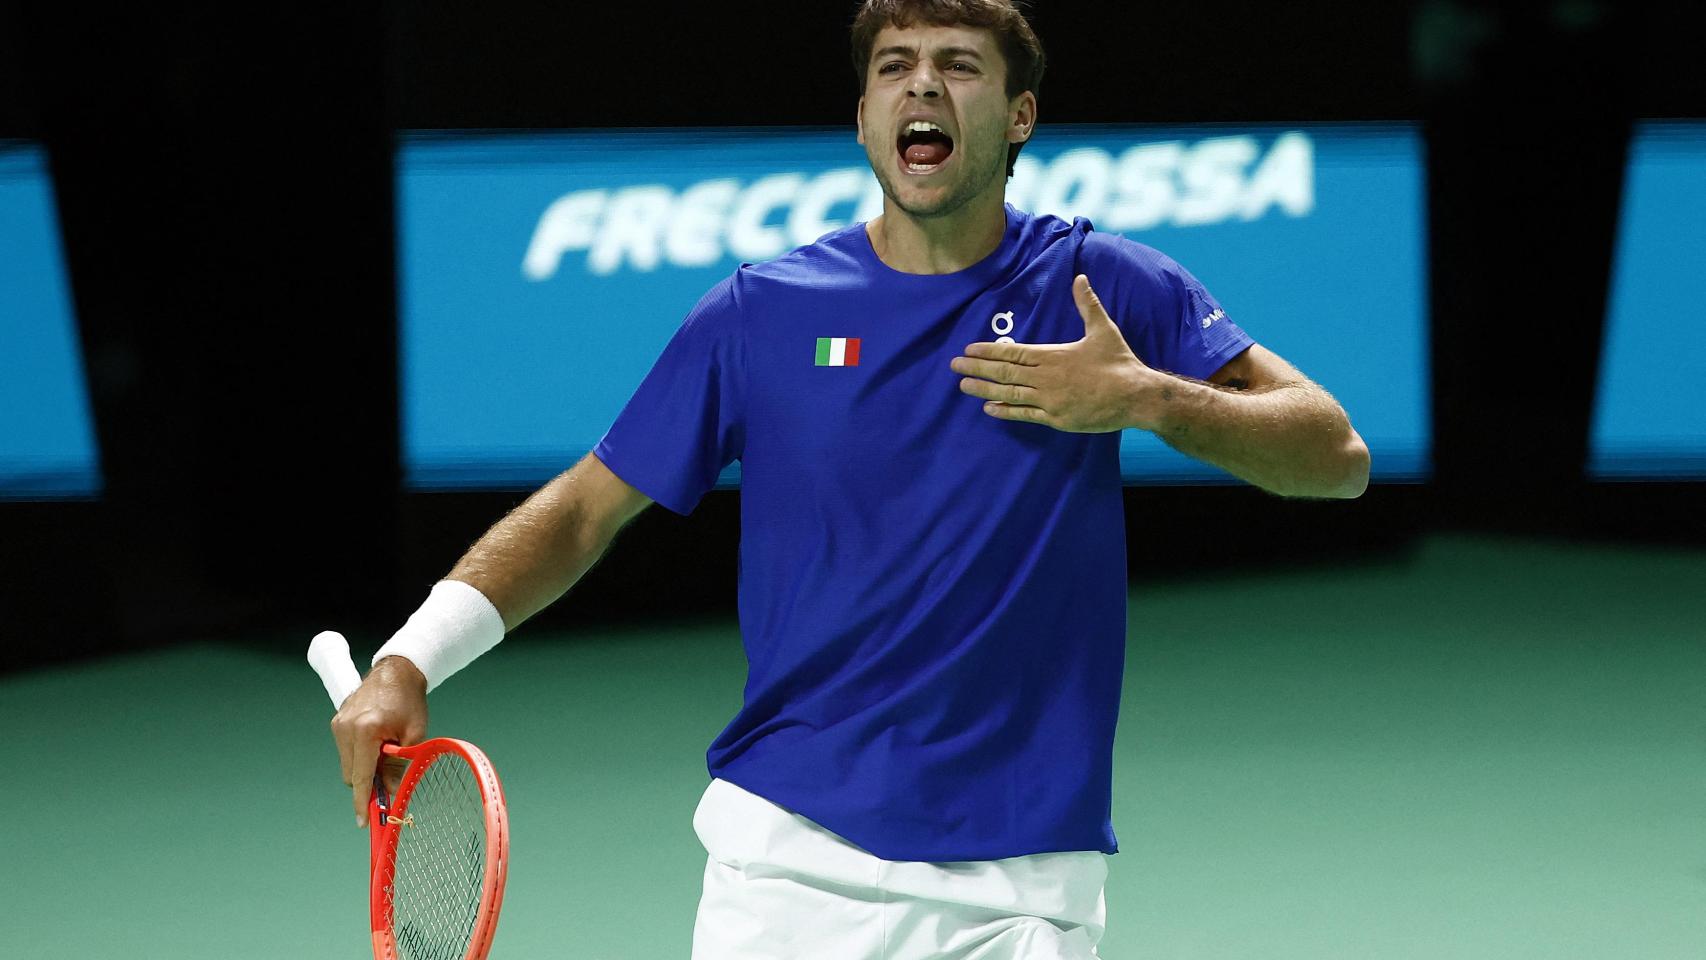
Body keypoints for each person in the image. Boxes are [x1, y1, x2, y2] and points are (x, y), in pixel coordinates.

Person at [330, 1, 1370, 957]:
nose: (922, 86)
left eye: (958, 66)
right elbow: (581, 511)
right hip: (785, 865)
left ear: (1018, 116)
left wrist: (1147, 399)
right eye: (893, 67)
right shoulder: (759, 313)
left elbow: (1333, 458)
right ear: (865, 119)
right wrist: (410, 660)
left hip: (1017, 886)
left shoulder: (1102, 287)